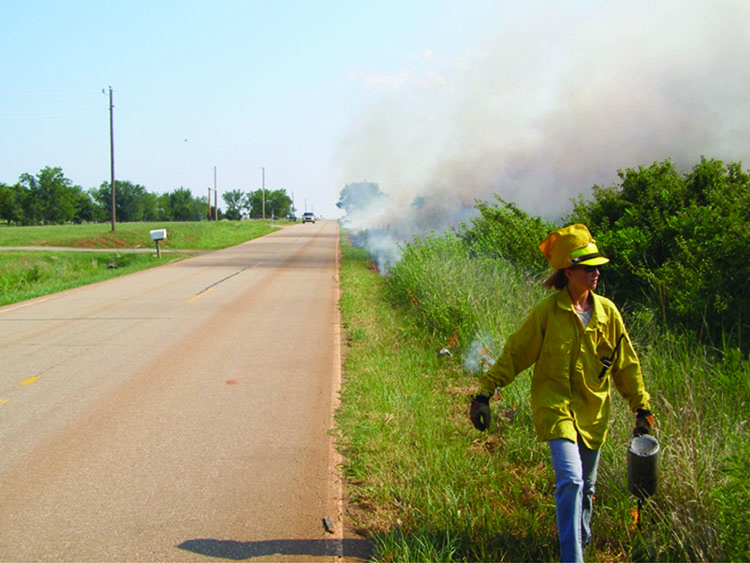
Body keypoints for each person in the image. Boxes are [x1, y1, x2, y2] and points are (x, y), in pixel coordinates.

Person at [469, 224, 654, 563]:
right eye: (588, 267)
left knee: (587, 489)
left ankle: (579, 540)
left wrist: (641, 409)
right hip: (554, 407)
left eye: (597, 267)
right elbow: (516, 353)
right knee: (571, 480)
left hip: (594, 413)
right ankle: (573, 558)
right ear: (569, 272)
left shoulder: (608, 313)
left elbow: (626, 365)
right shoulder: (547, 313)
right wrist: (484, 393)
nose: (596, 273)